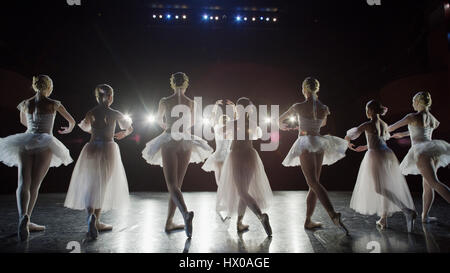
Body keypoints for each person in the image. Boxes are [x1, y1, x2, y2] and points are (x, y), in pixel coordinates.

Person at [0, 75, 75, 241]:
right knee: (35, 185)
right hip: (45, 142)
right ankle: (27, 219)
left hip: (26, 141)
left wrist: (34, 128)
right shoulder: (54, 104)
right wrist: (67, 129)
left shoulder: (25, 103)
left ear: (35, 86)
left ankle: (22, 218)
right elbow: (72, 121)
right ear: (49, 87)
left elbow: (23, 121)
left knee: (22, 183)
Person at [142, 72, 213, 238]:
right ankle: (169, 222)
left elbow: (159, 120)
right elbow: (194, 122)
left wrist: (168, 125)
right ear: (186, 84)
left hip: (170, 140)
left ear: (172, 84)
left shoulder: (165, 101)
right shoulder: (191, 102)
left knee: (172, 185)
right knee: (177, 187)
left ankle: (185, 214)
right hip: (185, 141)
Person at [279, 77, 348, 234]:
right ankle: (308, 221)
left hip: (305, 142)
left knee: (313, 183)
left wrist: (290, 126)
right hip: (318, 142)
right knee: (314, 184)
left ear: (304, 89)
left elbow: (279, 121)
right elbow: (322, 124)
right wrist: (306, 123)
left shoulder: (298, 106)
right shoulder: (324, 107)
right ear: (316, 89)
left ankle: (332, 214)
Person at [64, 84, 133, 239]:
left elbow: (85, 127)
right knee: (103, 184)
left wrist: (95, 131)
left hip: (92, 147)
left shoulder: (91, 112)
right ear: (111, 97)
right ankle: (97, 220)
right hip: (108, 148)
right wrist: (124, 134)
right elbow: (129, 127)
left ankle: (90, 217)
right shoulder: (114, 113)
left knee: (91, 184)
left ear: (97, 97)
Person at [345, 100, 416, 231]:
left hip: (375, 155)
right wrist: (366, 146)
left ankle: (407, 210)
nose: (366, 111)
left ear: (370, 110)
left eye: (367, 109)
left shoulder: (367, 124)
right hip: (387, 153)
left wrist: (348, 143)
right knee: (385, 186)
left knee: (378, 188)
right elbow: (380, 140)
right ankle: (383, 219)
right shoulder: (384, 124)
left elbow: (350, 135)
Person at [388, 91, 450, 223]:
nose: (412, 104)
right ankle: (425, 216)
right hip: (433, 150)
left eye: (413, 102)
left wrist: (381, 129)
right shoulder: (432, 118)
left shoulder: (411, 116)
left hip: (421, 152)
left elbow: (391, 128)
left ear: (417, 102)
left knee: (433, 183)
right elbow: (420, 131)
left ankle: (425, 216)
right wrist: (403, 134)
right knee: (428, 185)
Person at [216, 97, 273, 236]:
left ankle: (260, 216)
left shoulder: (233, 123)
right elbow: (256, 135)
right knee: (244, 191)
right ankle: (239, 223)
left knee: (242, 192)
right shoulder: (252, 124)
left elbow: (220, 132)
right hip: (250, 156)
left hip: (237, 156)